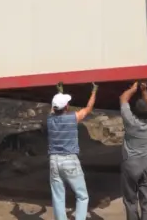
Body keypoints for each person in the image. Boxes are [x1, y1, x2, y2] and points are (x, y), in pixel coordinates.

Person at [47, 82, 98, 220]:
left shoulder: (50, 120)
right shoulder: (72, 118)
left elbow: (53, 109)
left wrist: (59, 93)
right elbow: (88, 108)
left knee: (58, 197)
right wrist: (94, 91)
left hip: (53, 161)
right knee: (82, 196)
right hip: (69, 160)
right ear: (66, 106)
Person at [119, 81, 147, 220]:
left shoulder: (130, 122)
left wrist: (133, 88)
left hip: (131, 164)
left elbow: (123, 98)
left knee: (130, 201)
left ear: (134, 111)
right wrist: (144, 90)